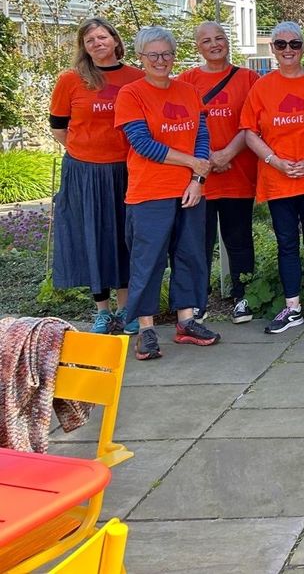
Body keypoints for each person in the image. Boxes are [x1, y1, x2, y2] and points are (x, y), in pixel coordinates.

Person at [113, 25, 221, 360]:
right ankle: (145, 330)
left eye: (167, 54)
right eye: (154, 55)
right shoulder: (131, 94)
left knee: (190, 255)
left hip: (188, 190)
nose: (161, 60)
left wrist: (197, 179)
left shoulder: (188, 91)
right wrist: (192, 162)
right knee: (148, 261)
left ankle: (186, 322)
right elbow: (143, 144)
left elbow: (201, 135)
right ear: (141, 57)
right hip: (149, 192)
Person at [240, 22, 304, 335]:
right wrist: (276, 161)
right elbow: (249, 132)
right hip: (278, 177)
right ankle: (292, 307)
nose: (288, 50)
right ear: (272, 48)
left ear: (303, 47)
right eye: (281, 44)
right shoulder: (262, 86)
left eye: (294, 44)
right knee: (286, 243)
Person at [48, 18, 144, 334]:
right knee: (92, 237)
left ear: (116, 41)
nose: (97, 44)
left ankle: (127, 308)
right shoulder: (71, 80)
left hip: (127, 170)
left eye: (102, 37)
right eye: (89, 41)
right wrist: (86, 152)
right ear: (84, 48)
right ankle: (101, 311)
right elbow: (58, 128)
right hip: (84, 173)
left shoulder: (138, 78)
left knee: (125, 237)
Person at [178, 22, 260, 324]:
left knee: (238, 238)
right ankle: (198, 301)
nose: (215, 45)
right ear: (198, 46)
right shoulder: (186, 81)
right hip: (200, 177)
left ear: (228, 42)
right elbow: (182, 126)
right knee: (199, 241)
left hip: (238, 172)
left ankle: (242, 296)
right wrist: (208, 159)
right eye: (207, 40)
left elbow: (252, 123)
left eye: (220, 39)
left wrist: (227, 154)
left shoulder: (249, 78)